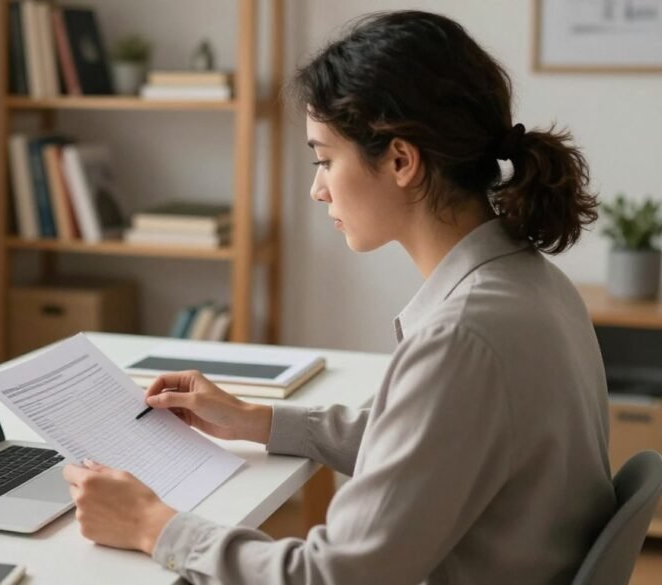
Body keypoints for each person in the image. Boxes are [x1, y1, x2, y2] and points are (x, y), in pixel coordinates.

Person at [62, 10, 616, 584]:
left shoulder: (463, 336)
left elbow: (335, 576)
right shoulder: (534, 285)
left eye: (325, 159)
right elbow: (428, 445)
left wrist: (153, 526)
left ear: (402, 160)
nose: (316, 188)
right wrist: (258, 421)